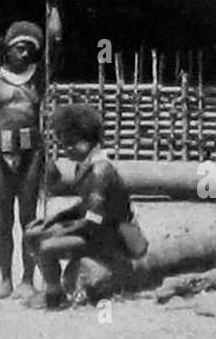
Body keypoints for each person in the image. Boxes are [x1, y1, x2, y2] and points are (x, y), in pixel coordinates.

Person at [26, 103, 142, 310]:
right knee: (33, 233)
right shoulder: (84, 166)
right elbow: (85, 205)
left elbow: (94, 221)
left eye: (72, 143)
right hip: (95, 229)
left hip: (112, 237)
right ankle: (54, 286)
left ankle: (55, 294)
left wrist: (60, 231)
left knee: (46, 245)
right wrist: (56, 219)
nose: (67, 149)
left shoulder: (99, 172)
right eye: (64, 144)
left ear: (89, 139)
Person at [0, 20, 47, 299]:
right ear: (7, 49)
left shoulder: (38, 80)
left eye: (30, 48)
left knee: (29, 219)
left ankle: (28, 279)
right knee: (3, 220)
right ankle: (5, 279)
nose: (25, 53)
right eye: (19, 47)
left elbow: (56, 41)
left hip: (32, 155)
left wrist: (51, 4)